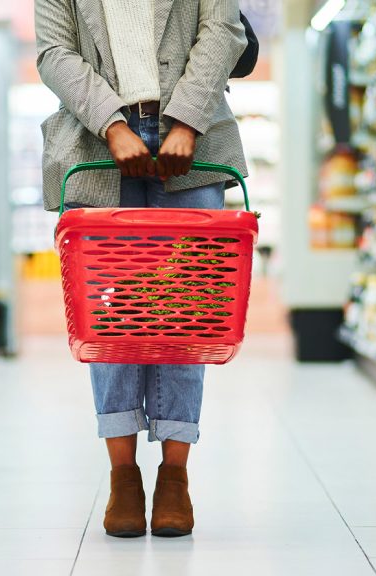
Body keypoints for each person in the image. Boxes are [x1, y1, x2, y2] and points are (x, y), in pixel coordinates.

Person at [35, 0, 248, 538]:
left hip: (193, 142)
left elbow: (221, 31)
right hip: (94, 139)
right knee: (110, 317)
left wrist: (187, 120)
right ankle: (123, 475)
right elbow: (54, 51)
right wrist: (110, 123)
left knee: (186, 312)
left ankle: (174, 476)